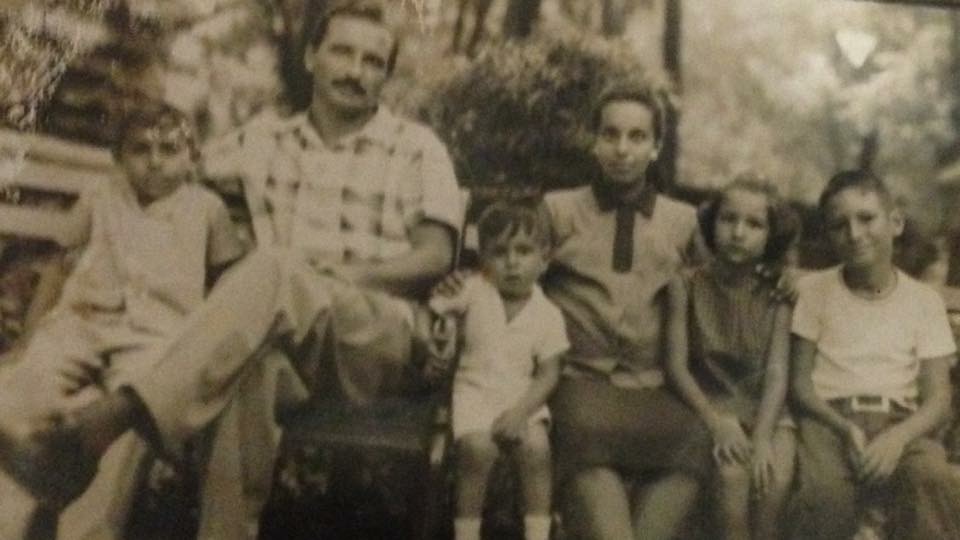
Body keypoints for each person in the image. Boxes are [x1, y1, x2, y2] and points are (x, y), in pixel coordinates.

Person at [0, 3, 461, 539]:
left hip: (376, 338)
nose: (356, 71)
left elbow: (434, 256)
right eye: (343, 52)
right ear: (312, 57)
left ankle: (97, 427)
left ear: (385, 75)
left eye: (373, 62)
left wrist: (333, 277)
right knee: (245, 369)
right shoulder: (261, 141)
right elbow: (162, 171)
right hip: (278, 334)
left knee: (273, 271)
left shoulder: (416, 149)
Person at [0, 99, 245, 537]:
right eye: (140, 150)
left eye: (169, 150)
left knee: (128, 418)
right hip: (81, 325)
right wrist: (27, 339)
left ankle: (86, 530)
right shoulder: (100, 195)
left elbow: (230, 282)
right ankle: (15, 518)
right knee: (21, 390)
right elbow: (59, 266)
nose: (155, 163)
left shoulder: (206, 208)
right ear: (118, 158)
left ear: (192, 158)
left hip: (157, 337)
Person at [542, 82, 713, 540]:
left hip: (653, 388)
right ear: (594, 141)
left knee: (697, 442)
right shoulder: (558, 211)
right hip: (579, 382)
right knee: (584, 442)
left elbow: (717, 292)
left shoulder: (682, 222)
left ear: (656, 147)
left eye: (637, 137)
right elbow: (509, 280)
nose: (622, 149)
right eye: (611, 134)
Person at [788, 169, 960, 540]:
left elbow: (939, 397)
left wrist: (898, 438)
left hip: (899, 422)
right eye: (839, 225)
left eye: (867, 218)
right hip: (829, 421)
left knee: (931, 478)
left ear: (895, 222)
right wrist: (841, 427)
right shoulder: (814, 291)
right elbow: (800, 385)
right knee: (824, 495)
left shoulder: (924, 301)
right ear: (829, 236)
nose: (854, 234)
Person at [665, 175, 798, 540]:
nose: (738, 232)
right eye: (728, 220)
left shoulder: (776, 292)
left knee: (774, 478)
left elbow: (776, 372)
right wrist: (716, 420)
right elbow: (676, 367)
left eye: (754, 224)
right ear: (712, 223)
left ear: (771, 235)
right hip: (713, 406)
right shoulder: (686, 284)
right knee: (732, 478)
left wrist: (764, 438)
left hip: (767, 411)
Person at [428, 201, 567, 540]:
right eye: (499, 252)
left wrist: (521, 412)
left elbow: (549, 373)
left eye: (524, 251)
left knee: (537, 449)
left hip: (523, 398)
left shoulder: (547, 313)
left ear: (544, 260)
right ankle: (467, 532)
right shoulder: (475, 290)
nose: (512, 262)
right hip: (473, 392)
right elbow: (437, 308)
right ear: (484, 261)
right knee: (477, 450)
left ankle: (537, 532)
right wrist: (443, 325)